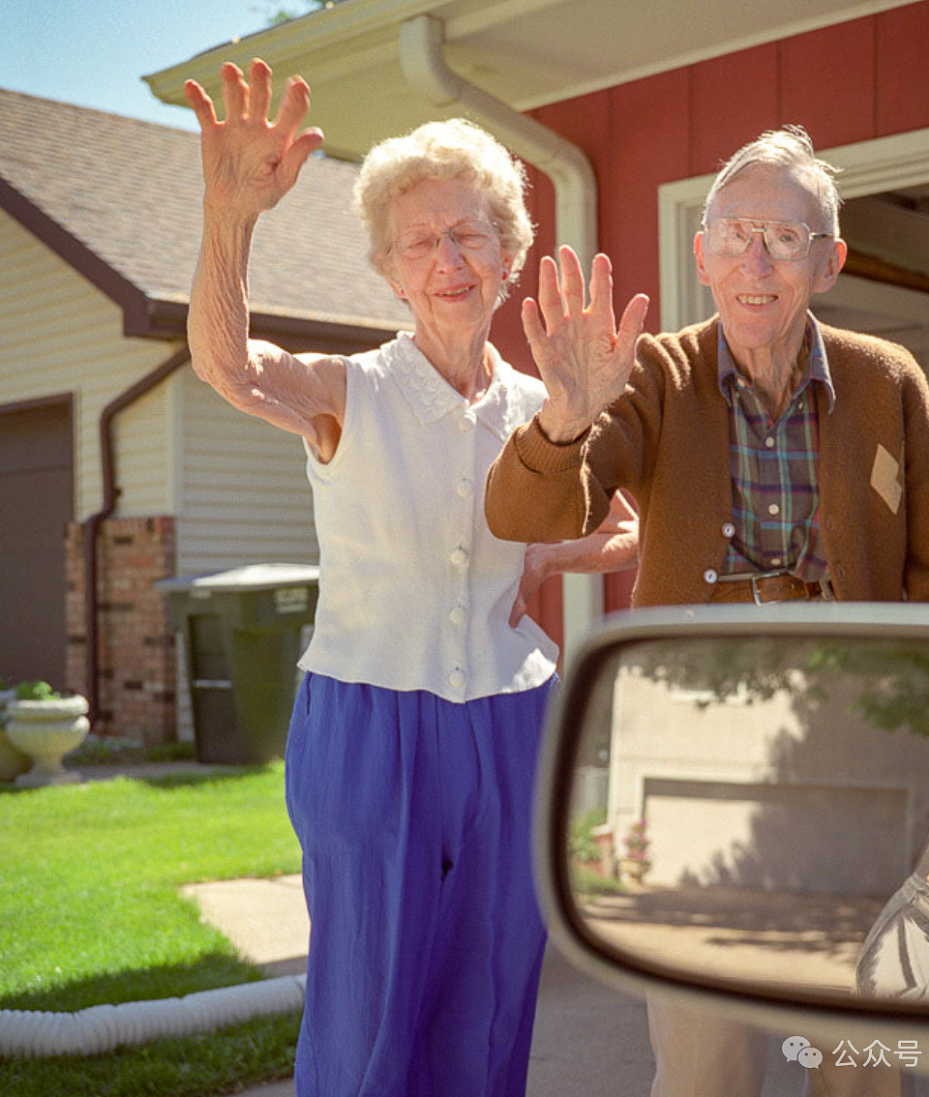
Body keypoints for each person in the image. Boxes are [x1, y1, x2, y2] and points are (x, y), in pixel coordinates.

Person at [484, 125, 929, 1097]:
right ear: (700, 253)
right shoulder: (651, 375)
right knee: (705, 1066)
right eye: (733, 234)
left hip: (859, 777)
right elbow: (529, 511)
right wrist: (562, 417)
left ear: (831, 260)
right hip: (691, 783)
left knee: (860, 1061)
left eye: (784, 236)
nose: (754, 263)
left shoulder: (889, 382)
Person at [182, 59, 637, 1097]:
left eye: (471, 232)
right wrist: (230, 217)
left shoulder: (547, 404)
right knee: (371, 1012)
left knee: (491, 1005)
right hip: (371, 722)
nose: (449, 257)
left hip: (513, 721)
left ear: (510, 256)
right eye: (421, 239)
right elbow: (229, 365)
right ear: (389, 268)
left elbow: (511, 542)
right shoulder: (350, 389)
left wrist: (578, 550)